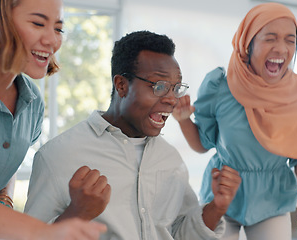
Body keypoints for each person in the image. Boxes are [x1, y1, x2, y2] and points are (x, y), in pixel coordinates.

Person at [24, 30, 242, 240]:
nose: (172, 99)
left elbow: (179, 234)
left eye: (175, 88)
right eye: (159, 86)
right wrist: (76, 213)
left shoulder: (169, 159)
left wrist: (217, 207)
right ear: (121, 85)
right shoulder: (58, 155)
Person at [172, 3, 297, 240]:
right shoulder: (220, 86)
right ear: (248, 43)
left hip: (272, 199)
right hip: (222, 192)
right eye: (270, 38)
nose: (281, 48)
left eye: (290, 40)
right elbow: (202, 144)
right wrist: (183, 120)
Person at [0, 0, 107, 239]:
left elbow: (5, 151)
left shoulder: (31, 102)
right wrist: (38, 231)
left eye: (58, 29)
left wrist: (3, 200)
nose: (52, 40)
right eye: (38, 24)